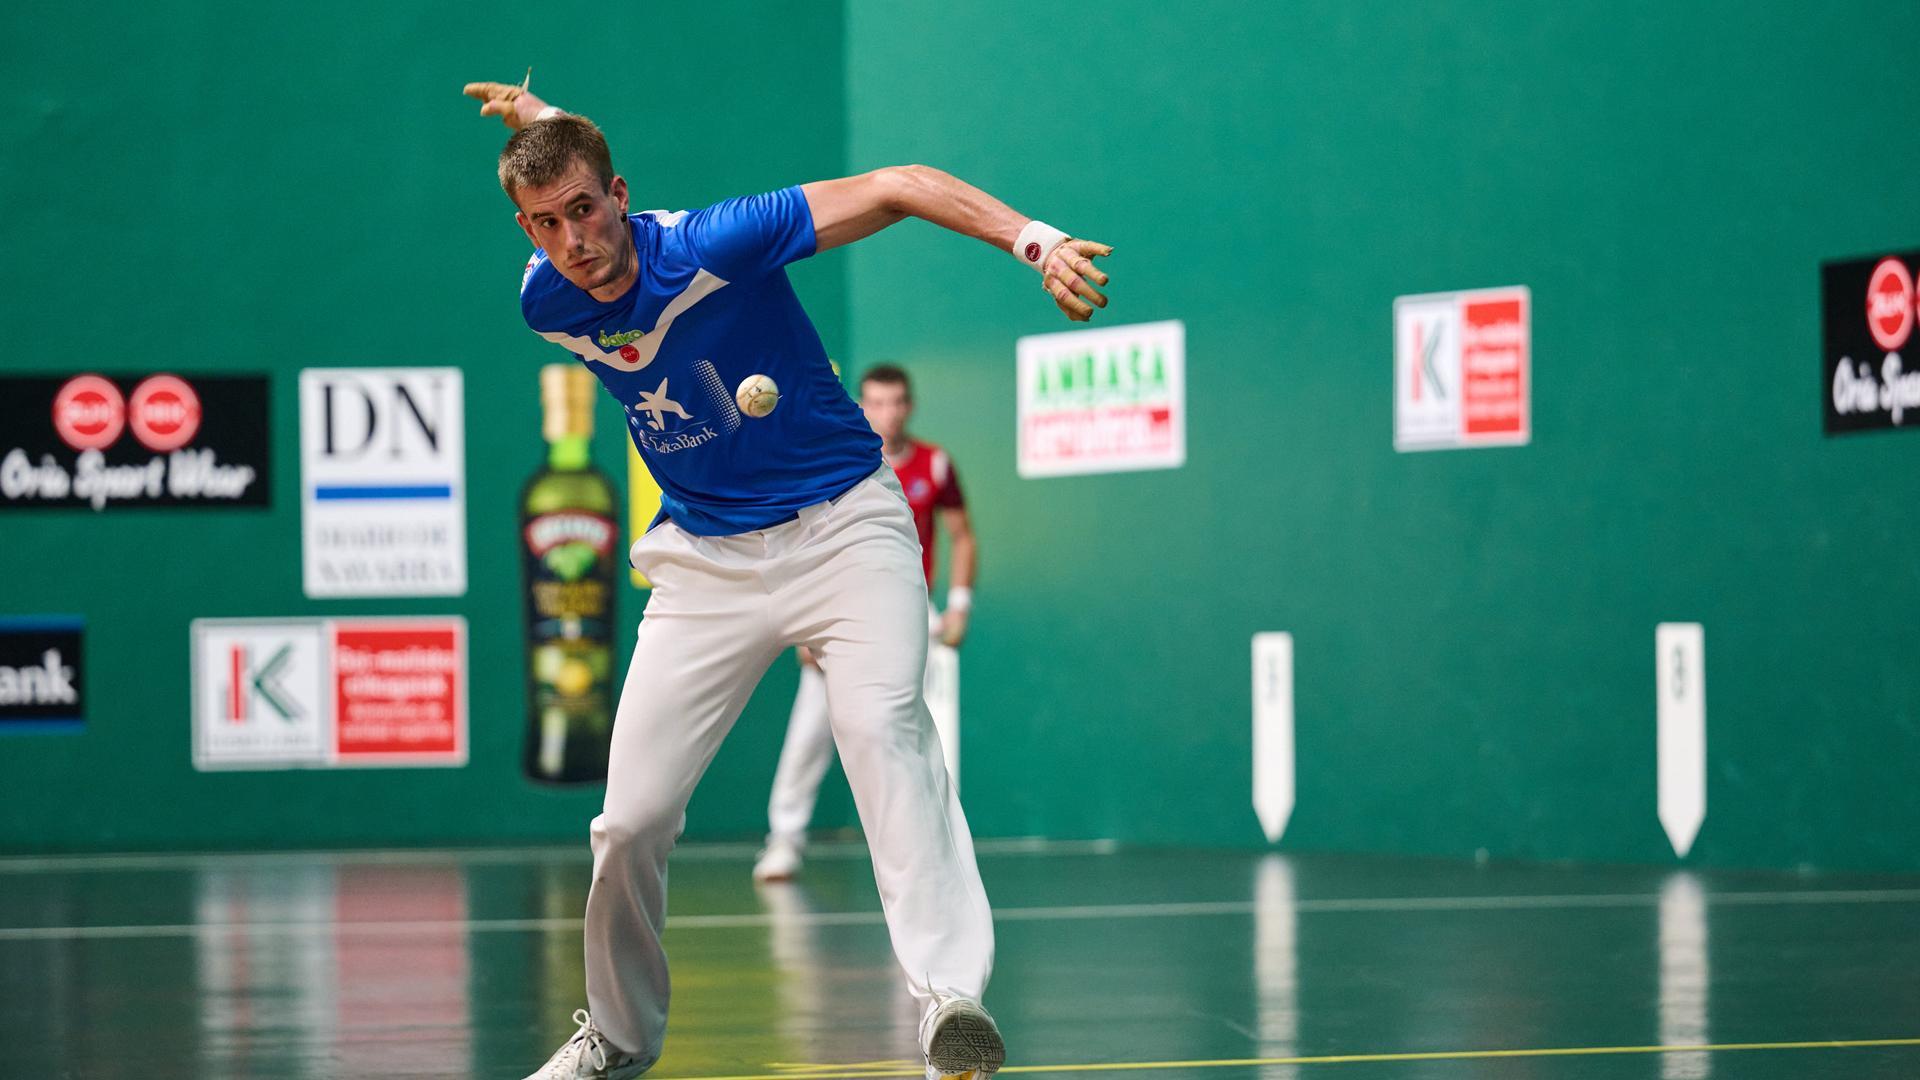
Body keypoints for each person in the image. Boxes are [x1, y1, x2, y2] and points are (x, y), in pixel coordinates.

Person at [459, 77, 1113, 1080]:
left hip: (845, 527)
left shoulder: (716, 243)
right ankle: (617, 1037)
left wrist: (1037, 241)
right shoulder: (543, 298)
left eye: (586, 209)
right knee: (627, 821)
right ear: (526, 230)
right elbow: (564, 177)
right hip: (704, 562)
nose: (574, 240)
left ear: (621, 196)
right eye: (547, 224)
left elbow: (896, 185)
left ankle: (950, 1001)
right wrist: (543, 125)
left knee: (882, 728)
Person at [755, 364, 975, 883]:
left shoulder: (935, 464)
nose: (886, 414)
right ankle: (784, 840)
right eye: (875, 403)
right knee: (810, 731)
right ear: (860, 406)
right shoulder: (840, 463)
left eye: (896, 403)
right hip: (838, 609)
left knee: (914, 735)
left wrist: (959, 604)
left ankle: (932, 851)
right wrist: (806, 623)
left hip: (910, 613)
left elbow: (961, 534)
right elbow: (806, 541)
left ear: (909, 406)